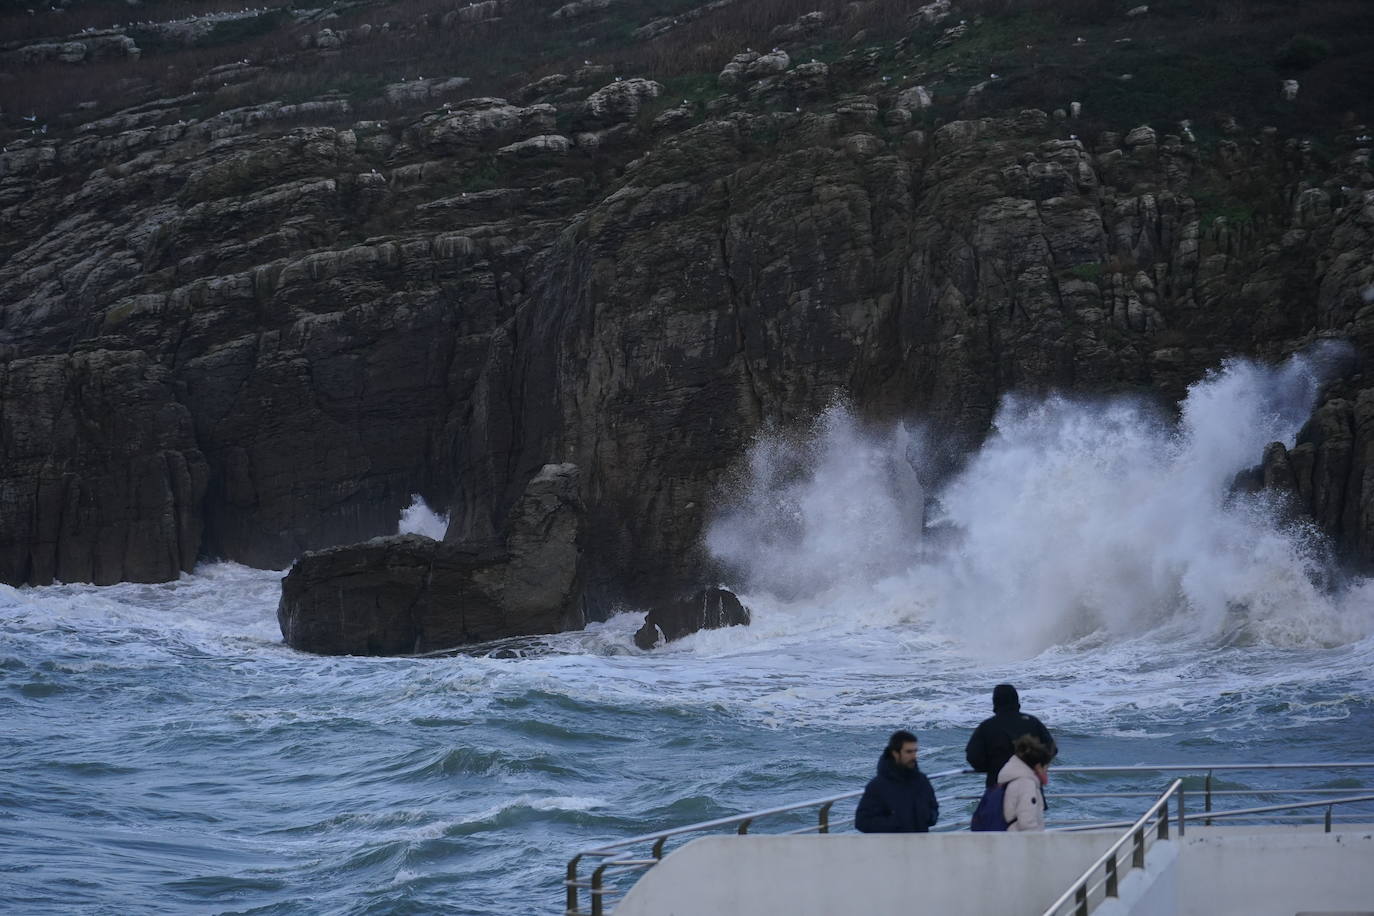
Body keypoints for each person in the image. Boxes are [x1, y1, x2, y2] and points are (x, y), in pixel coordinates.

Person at [965, 683, 1057, 788]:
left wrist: (993, 767)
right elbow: (1052, 748)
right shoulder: (1032, 722)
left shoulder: (987, 726)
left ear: (995, 702)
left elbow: (973, 757)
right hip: (1030, 786)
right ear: (1016, 700)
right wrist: (1037, 764)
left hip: (998, 786)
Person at [854, 729, 940, 833]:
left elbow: (933, 808)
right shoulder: (877, 786)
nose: (914, 756)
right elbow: (862, 822)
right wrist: (897, 823)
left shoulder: (922, 781)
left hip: (920, 844)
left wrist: (929, 816)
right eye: (908, 752)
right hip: (890, 846)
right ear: (895, 753)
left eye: (915, 751)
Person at [998, 734, 1054, 832]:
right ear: (1038, 766)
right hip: (1021, 842)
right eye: (1046, 767)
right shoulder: (1026, 784)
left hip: (1010, 836)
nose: (1046, 771)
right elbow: (1026, 822)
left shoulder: (1013, 777)